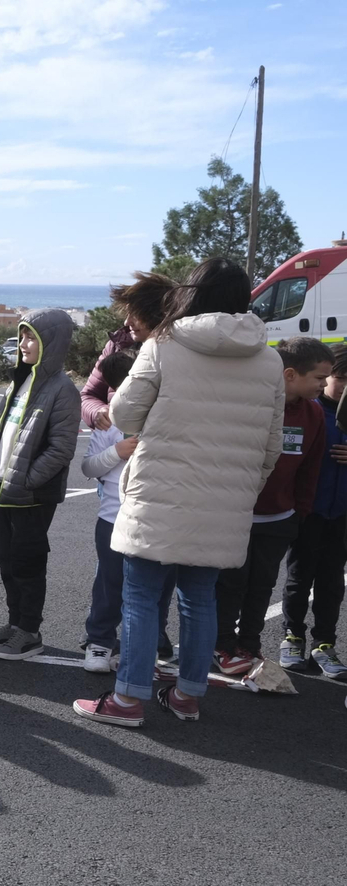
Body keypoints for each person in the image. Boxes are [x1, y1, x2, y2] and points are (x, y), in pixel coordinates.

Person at [73, 257, 284, 727]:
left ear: (193, 294)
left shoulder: (164, 344)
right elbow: (272, 445)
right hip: (225, 503)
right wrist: (241, 491)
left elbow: (124, 414)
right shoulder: (269, 360)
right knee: (200, 598)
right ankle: (187, 695)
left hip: (158, 494)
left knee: (141, 597)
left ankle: (127, 700)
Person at [212, 336, 329, 675]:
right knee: (230, 584)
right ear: (290, 374)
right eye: (319, 377)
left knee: (262, 585)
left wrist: (299, 512)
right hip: (237, 515)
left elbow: (311, 467)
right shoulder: (252, 404)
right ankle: (221, 645)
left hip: (280, 518)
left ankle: (249, 645)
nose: (324, 385)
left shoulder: (313, 413)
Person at [0, 308, 80, 661]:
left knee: (28, 563)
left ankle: (30, 633)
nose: (23, 344)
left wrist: (27, 481)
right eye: (22, 336)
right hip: (8, 490)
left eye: (31, 337)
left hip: (31, 494)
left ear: (51, 343)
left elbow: (61, 448)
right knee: (6, 559)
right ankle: (15, 624)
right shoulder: (21, 381)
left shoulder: (63, 389)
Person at [78, 350, 158, 673]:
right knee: (109, 584)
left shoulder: (160, 419)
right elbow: (87, 467)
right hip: (112, 518)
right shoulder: (107, 422)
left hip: (152, 519)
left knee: (149, 590)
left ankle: (142, 646)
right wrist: (117, 451)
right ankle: (99, 641)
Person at [281, 342, 347, 679]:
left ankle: (325, 643)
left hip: (342, 514)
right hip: (309, 511)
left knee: (332, 582)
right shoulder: (309, 409)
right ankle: (292, 637)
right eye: (341, 378)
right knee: (299, 577)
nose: (344, 387)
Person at [81, 273, 175, 431]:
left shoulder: (179, 350)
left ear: (158, 314)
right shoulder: (116, 345)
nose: (127, 322)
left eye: (135, 315)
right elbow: (88, 395)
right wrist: (97, 412)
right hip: (117, 444)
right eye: (127, 313)